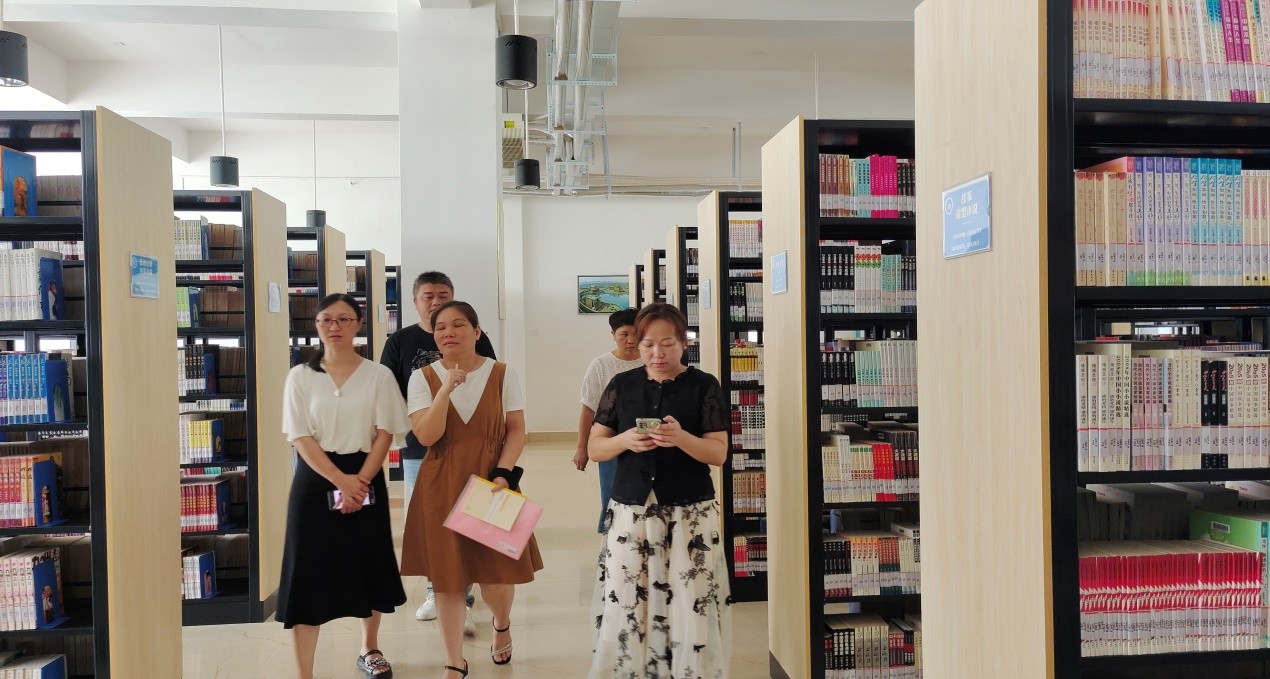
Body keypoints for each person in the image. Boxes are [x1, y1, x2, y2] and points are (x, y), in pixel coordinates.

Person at [586, 302, 732, 678]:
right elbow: (595, 448)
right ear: (637, 344)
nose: (657, 353)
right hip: (631, 510)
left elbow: (718, 453)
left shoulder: (704, 386)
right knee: (629, 596)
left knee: (689, 599)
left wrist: (681, 438)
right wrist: (625, 440)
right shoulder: (622, 385)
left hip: (689, 511)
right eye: (648, 344)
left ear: (684, 343)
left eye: (667, 344)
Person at [400, 301, 543, 679]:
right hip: (441, 483)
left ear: (477, 332)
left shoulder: (502, 373)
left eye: (458, 325)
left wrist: (504, 473)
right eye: (440, 327)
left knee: (496, 575)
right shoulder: (422, 378)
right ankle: (454, 660)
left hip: (491, 483)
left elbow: (516, 429)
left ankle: (501, 623)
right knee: (447, 578)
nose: (449, 332)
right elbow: (426, 435)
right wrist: (445, 389)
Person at [279, 293, 410, 679]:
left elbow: (386, 432)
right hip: (315, 477)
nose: (334, 327)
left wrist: (360, 482)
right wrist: (341, 481)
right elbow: (299, 435)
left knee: (369, 563)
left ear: (358, 325)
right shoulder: (300, 376)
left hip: (364, 471)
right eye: (326, 320)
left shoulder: (378, 375)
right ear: (316, 326)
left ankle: (369, 648)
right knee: (307, 571)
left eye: (343, 319)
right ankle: (304, 672)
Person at [379, 271, 492, 629]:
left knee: (470, 521)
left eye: (443, 295)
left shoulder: (476, 337)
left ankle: (465, 597)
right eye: (428, 296)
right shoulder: (400, 340)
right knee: (434, 525)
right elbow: (388, 390)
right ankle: (436, 590)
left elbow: (488, 382)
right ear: (415, 302)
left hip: (471, 447)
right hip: (421, 447)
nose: (435, 301)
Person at [572, 307, 642, 533]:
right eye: (624, 334)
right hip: (611, 441)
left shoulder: (651, 361)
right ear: (613, 335)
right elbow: (588, 408)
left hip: (645, 440)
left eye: (636, 334)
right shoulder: (601, 365)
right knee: (612, 498)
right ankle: (612, 541)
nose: (631, 340)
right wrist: (582, 448)